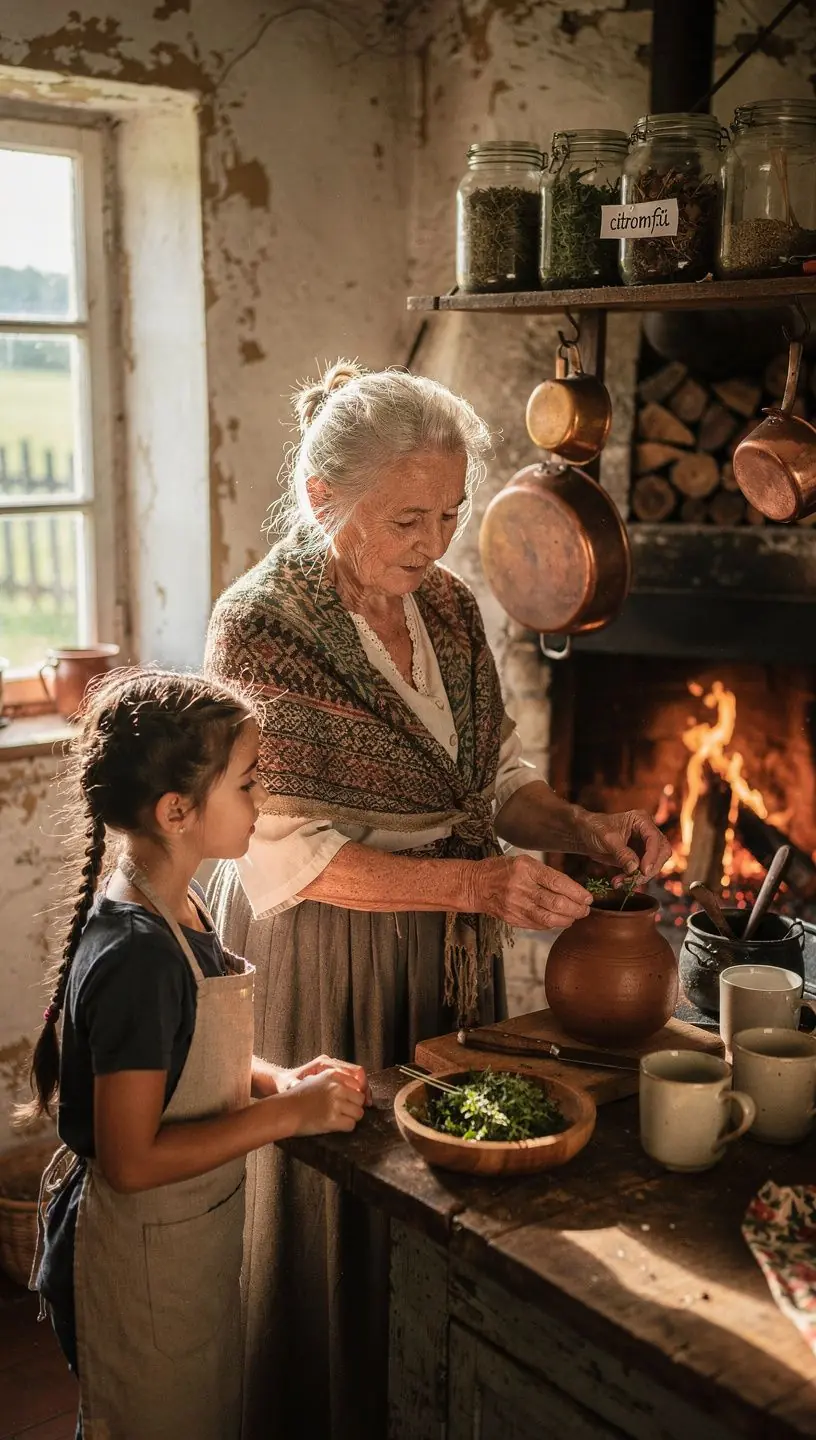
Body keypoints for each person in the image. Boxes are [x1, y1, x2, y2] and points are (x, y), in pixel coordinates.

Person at [205, 360, 672, 1439]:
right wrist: (477, 883)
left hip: (444, 944)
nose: (437, 543)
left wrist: (577, 826)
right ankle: (321, 1400)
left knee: (447, 1181)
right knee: (334, 1188)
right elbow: (289, 857)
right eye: (408, 518)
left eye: (453, 513)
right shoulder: (262, 627)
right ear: (325, 500)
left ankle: (425, 1395)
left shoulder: (453, 609)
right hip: (327, 946)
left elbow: (492, 777)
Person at [18, 668, 368, 1440]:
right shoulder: (138, 956)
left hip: (182, 1252)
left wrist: (277, 1080)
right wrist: (287, 1119)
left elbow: (182, 1065)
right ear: (178, 811)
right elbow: (133, 1160)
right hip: (138, 1266)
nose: (261, 802)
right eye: (247, 785)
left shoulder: (180, 903)